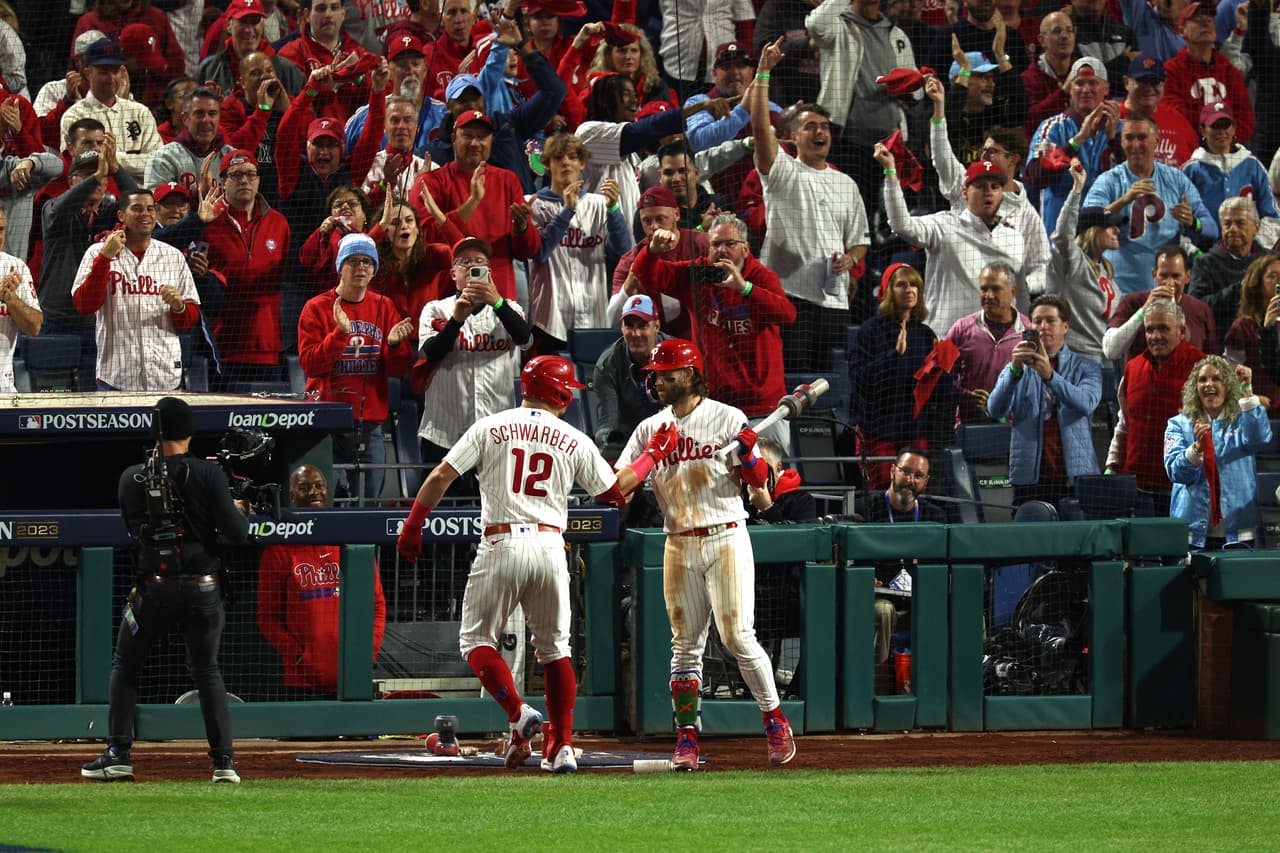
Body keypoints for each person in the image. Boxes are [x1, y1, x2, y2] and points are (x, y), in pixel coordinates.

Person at [396, 355, 674, 773]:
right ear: (560, 393)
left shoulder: (490, 425)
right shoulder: (573, 437)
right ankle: (561, 748)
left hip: (501, 542)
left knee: (476, 642)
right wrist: (651, 455)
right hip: (549, 546)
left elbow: (439, 476)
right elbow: (616, 492)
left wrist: (413, 526)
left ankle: (517, 712)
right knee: (555, 651)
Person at [618, 338, 798, 771]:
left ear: (690, 374)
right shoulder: (650, 428)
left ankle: (775, 720)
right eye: (655, 376)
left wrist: (750, 454)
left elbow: (758, 487)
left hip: (725, 534)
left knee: (737, 636)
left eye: (666, 375)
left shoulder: (727, 417)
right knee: (684, 646)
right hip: (678, 540)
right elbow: (619, 486)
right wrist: (653, 454)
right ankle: (687, 737)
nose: (657, 382)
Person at [82, 397, 250, 783]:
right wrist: (240, 508)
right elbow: (238, 533)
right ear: (188, 432)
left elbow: (132, 530)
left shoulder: (131, 478)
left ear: (154, 432)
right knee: (207, 670)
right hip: (202, 588)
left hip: (153, 590)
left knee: (126, 665)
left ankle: (118, 754)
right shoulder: (208, 474)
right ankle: (224, 763)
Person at [632, 215, 797, 450]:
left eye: (730, 244)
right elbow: (645, 273)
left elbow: (787, 314)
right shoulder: (699, 274)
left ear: (745, 248)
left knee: (766, 472)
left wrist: (745, 288)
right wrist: (652, 250)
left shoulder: (760, 277)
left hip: (762, 408)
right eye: (715, 244)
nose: (721, 250)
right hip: (716, 407)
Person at [752, 38, 868, 371]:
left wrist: (851, 259)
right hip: (790, 298)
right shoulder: (782, 171)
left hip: (834, 301)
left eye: (825, 127)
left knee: (831, 389)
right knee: (793, 385)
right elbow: (760, 127)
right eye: (810, 127)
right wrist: (762, 73)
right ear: (792, 137)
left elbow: (860, 241)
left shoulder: (846, 183)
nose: (820, 132)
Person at [298, 233, 416, 502]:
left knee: (369, 503)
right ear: (340, 267)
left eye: (367, 262)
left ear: (374, 270)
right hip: (325, 423)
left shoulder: (384, 307)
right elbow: (310, 364)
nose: (361, 267)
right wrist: (339, 334)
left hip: (369, 424)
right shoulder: (315, 308)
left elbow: (397, 369)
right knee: (325, 501)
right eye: (353, 261)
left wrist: (394, 345)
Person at [878, 142, 1030, 346]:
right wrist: (890, 172)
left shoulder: (1014, 238)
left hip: (995, 344)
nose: (988, 192)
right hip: (944, 341)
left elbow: (1021, 296)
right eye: (980, 186)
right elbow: (901, 225)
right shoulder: (943, 226)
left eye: (995, 187)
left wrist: (1026, 336)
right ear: (965, 192)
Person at [257, 464, 387, 697]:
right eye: (304, 487)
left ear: (328, 490)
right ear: (292, 495)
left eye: (319, 486)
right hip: (302, 681)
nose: (313, 492)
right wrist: (298, 655)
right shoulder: (279, 550)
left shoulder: (350, 541)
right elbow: (267, 616)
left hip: (353, 674)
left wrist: (368, 652)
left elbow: (376, 605)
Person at [416, 236, 532, 467]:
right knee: (440, 492)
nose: (472, 266)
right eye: (465, 261)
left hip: (498, 431)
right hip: (444, 430)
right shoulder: (436, 309)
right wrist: (456, 320)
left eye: (479, 261)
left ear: (489, 273)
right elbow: (431, 353)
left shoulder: (510, 308)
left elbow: (525, 340)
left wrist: (497, 302)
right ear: (453, 274)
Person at [71, 188, 201, 391]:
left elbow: (191, 318)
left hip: (165, 374)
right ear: (121, 215)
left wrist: (180, 307)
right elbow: (84, 305)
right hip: (116, 377)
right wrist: (104, 259)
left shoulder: (173, 256)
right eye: (137, 208)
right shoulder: (97, 252)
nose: (145, 214)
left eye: (150, 208)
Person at [1082, 112, 1216, 295]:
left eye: (1142, 137)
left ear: (1156, 141)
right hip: (1118, 291)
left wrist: (1193, 222)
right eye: (1129, 138)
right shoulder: (1109, 181)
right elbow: (1085, 223)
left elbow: (1212, 229)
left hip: (1166, 290)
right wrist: (1123, 200)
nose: (1135, 145)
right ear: (1121, 142)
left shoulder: (1177, 179)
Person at [987, 294, 1102, 507]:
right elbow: (994, 409)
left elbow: (1086, 403)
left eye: (1050, 320)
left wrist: (1050, 376)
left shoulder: (1087, 367)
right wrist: (1013, 371)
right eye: (1037, 321)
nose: (1043, 327)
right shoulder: (1017, 367)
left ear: (1065, 326)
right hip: (1030, 478)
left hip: (1076, 476)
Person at [1106, 299, 1206, 515]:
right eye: (1150, 329)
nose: (1155, 336)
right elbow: (1124, 424)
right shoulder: (1132, 368)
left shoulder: (1203, 368)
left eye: (1163, 328)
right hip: (1137, 486)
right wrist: (1112, 465)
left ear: (1181, 331)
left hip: (1184, 489)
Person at [1165, 356, 1272, 549]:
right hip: (1190, 530)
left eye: (1216, 378)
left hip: (1240, 528)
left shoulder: (1245, 418)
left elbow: (1259, 439)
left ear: (1228, 385)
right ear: (1194, 388)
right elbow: (1176, 472)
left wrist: (1247, 393)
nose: (1209, 384)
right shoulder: (1178, 424)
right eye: (1202, 380)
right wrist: (1196, 450)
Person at [854, 447, 945, 671]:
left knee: (963, 609)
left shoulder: (935, 516)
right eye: (905, 472)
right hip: (877, 598)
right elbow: (851, 562)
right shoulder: (864, 508)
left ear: (926, 480)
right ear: (893, 471)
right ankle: (878, 682)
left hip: (918, 600)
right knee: (883, 611)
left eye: (918, 475)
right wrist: (865, 578)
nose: (910, 480)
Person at [849, 264, 939, 490]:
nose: (909, 290)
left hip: (913, 428)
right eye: (901, 285)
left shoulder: (925, 334)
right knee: (883, 488)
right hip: (877, 429)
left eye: (914, 285)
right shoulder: (869, 331)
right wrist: (894, 355)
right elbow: (859, 377)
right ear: (888, 291)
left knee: (915, 489)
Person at [1023, 55, 1121, 236]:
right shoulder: (1053, 128)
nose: (1086, 89)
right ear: (1070, 88)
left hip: (1106, 239)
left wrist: (1113, 140)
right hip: (1060, 237)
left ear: (1106, 88)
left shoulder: (1121, 130)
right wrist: (1077, 141)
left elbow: (1137, 176)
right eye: (1079, 83)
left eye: (1093, 83)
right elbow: (1035, 176)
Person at [1047, 159, 1124, 361]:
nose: (1117, 230)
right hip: (1073, 358)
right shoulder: (1072, 260)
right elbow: (1062, 235)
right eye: (1110, 226)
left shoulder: (1105, 270)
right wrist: (1076, 190)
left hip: (1103, 360)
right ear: (1093, 231)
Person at [60, 38, 160, 183]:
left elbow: (157, 163)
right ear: (88, 73)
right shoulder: (75, 116)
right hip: (97, 192)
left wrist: (113, 158)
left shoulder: (140, 112)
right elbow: (80, 165)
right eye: (104, 72)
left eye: (115, 71)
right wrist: (134, 160)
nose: (111, 78)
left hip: (141, 194)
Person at [947, 262, 1033, 425]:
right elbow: (940, 376)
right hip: (970, 425)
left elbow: (1037, 384)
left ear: (1013, 292)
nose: (989, 295)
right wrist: (966, 396)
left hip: (1015, 427)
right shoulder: (961, 329)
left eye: (996, 289)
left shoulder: (1028, 331)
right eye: (984, 289)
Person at [1102, 243, 1217, 362]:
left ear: (1188, 277)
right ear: (1154, 275)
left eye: (1176, 276)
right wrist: (1143, 311)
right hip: (1141, 374)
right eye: (1163, 276)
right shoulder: (1131, 303)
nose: (1169, 283)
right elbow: (1110, 351)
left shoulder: (1202, 311)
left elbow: (1212, 361)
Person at [1162, 3, 1254, 144]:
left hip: (1229, 149)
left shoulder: (1228, 70)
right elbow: (1173, 116)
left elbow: (1246, 120)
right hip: (1190, 148)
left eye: (1210, 20)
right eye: (1198, 20)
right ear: (1182, 30)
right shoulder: (1171, 70)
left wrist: (1225, 143)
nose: (1205, 23)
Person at [1182, 104, 1276, 239]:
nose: (1221, 132)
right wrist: (1191, 249)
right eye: (1215, 126)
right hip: (1202, 248)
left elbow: (1271, 215)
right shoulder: (1191, 170)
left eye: (1225, 125)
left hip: (1247, 248)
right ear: (1202, 130)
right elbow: (1179, 219)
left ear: (1234, 129)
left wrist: (1256, 245)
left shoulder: (1253, 166)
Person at [593, 293, 667, 453]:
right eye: (629, 326)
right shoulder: (607, 365)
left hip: (670, 437)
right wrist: (609, 445)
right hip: (628, 444)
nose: (635, 333)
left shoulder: (675, 355)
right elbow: (608, 423)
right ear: (622, 327)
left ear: (656, 326)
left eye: (643, 326)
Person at [1188, 197, 1271, 336]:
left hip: (1267, 340)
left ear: (1256, 228)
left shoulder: (1271, 261)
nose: (1232, 229)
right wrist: (1239, 288)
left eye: (1240, 223)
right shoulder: (1205, 263)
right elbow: (1196, 308)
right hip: (1222, 340)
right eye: (1227, 224)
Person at [1224, 254, 1280, 409]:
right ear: (1257, 284)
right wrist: (1252, 398)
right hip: (1259, 411)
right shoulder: (1242, 327)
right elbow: (1229, 377)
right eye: (1272, 276)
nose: (1279, 281)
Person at [0, 209, 40, 392]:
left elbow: (34, 327)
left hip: (4, 389)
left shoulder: (16, 267)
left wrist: (12, 299)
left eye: (1, 229)